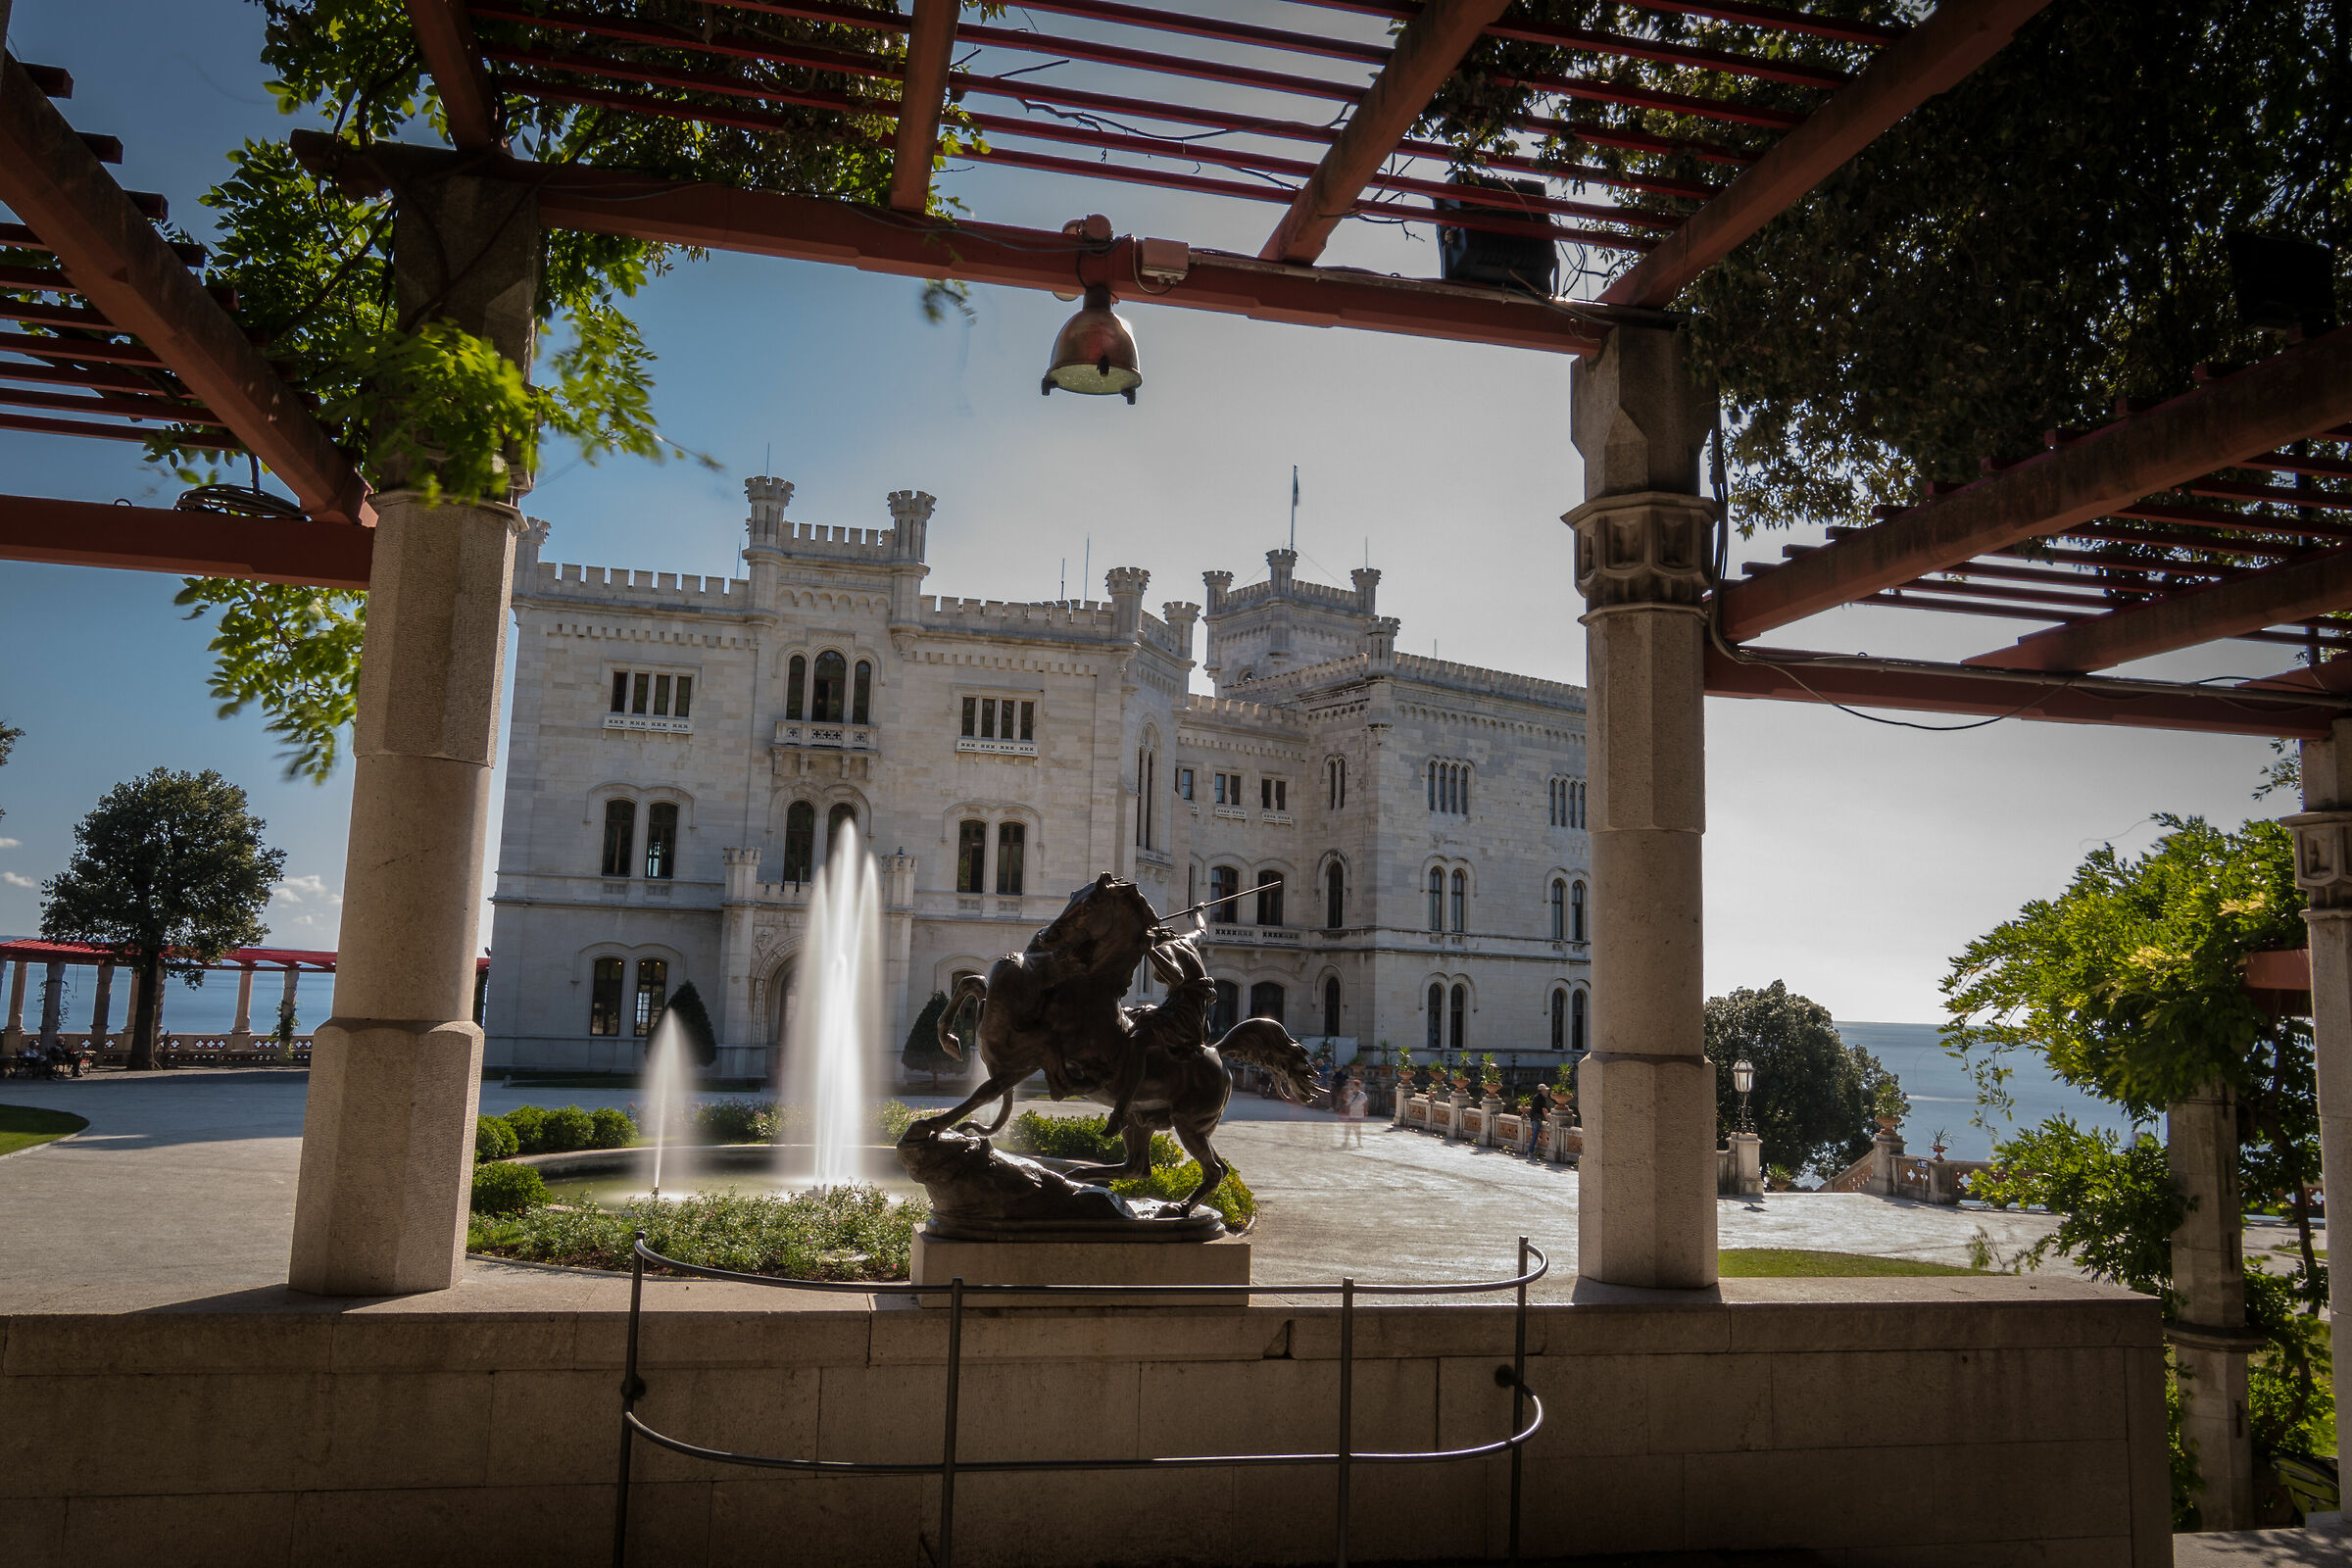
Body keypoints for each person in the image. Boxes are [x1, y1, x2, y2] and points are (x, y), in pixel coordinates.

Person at [1340, 1075, 1367, 1148]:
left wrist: (1365, 1111)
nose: (1353, 1087)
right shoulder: (1350, 1094)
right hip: (1350, 1113)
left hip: (1358, 1114)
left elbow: (1365, 1103)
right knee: (1348, 1128)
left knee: (1357, 1129)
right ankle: (1346, 1141)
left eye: (1354, 1085)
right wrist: (1346, 1091)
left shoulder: (1362, 1095)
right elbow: (1344, 1099)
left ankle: (1359, 1142)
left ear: (1357, 1086)